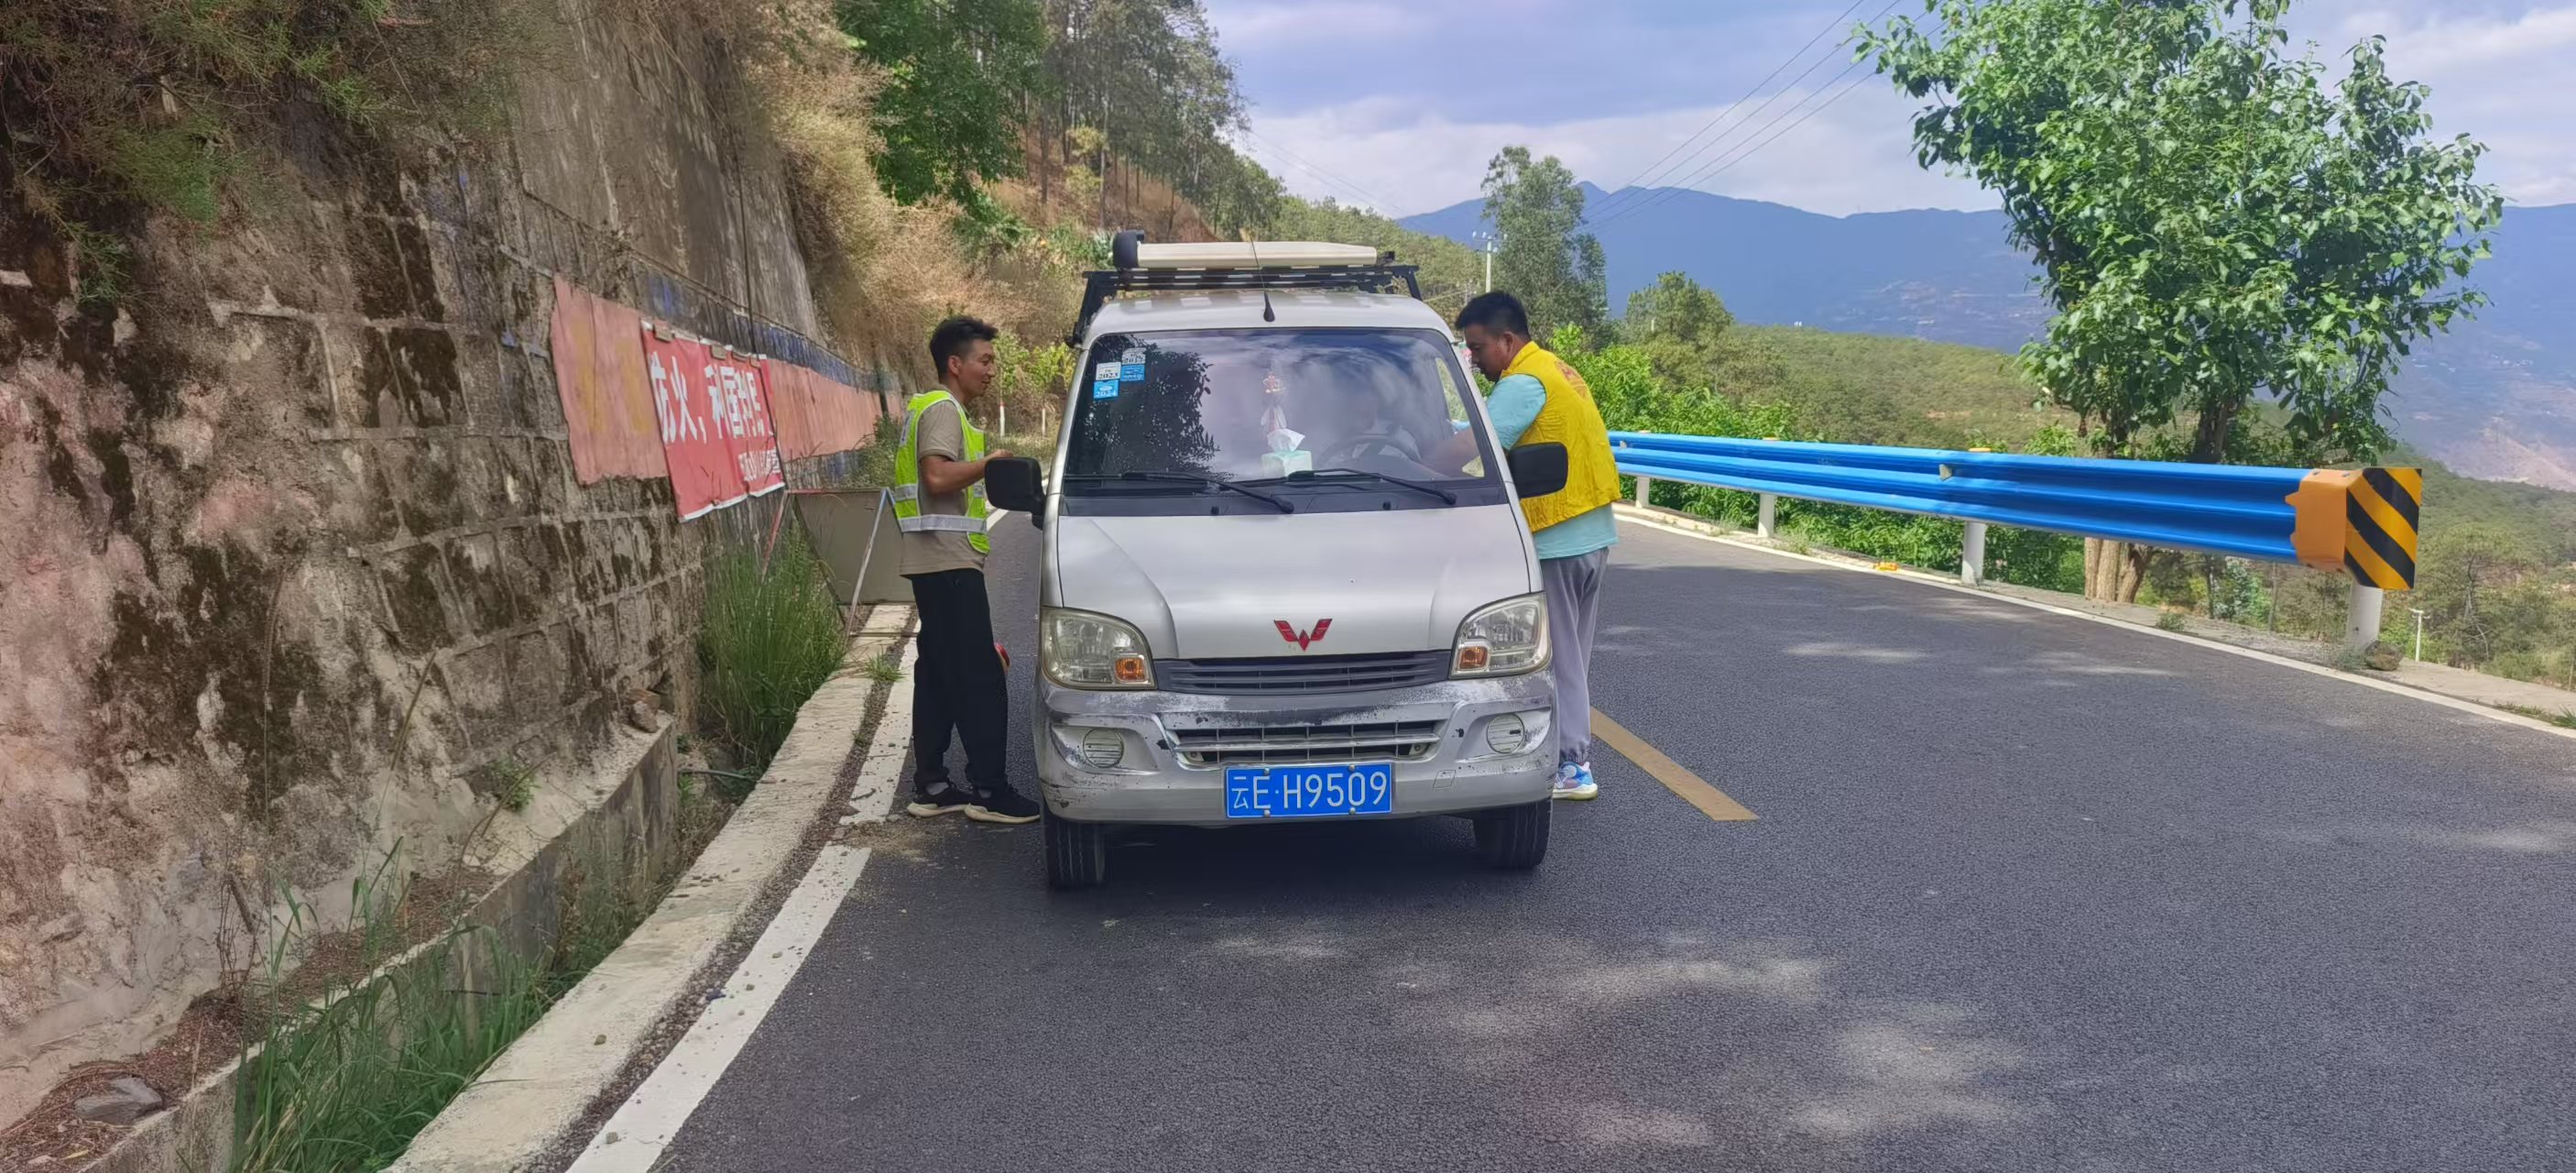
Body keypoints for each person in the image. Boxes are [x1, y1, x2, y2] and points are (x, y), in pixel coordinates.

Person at [1447, 292, 1622, 800]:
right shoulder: (1558, 370)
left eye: (1478, 348)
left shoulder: (1522, 381)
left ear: (1507, 340)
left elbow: (1472, 447)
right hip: (1592, 536)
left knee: (1557, 660)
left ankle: (1572, 765)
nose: (1475, 360)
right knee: (1573, 658)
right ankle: (1571, 757)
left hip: (1557, 541)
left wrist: (1412, 462)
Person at [894, 316, 1041, 824]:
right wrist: (991, 463)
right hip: (948, 563)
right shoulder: (943, 409)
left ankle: (932, 785)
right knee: (981, 675)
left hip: (936, 562)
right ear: (955, 364)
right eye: (985, 360)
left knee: (937, 675)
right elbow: (937, 477)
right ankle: (990, 791)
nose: (991, 369)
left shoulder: (934, 408)